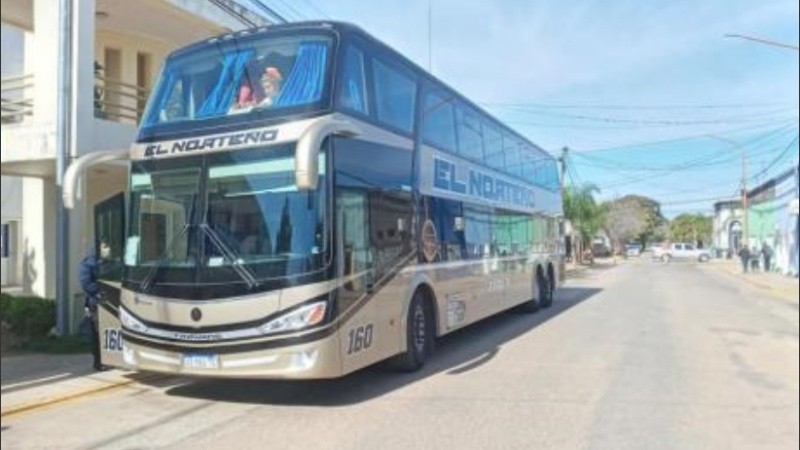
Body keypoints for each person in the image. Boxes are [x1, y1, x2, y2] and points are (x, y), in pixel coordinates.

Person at [78, 241, 111, 371]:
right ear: (98, 249)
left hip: (110, 300)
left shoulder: (110, 262)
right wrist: (103, 288)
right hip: (95, 303)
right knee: (97, 333)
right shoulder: (87, 264)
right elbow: (86, 284)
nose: (108, 249)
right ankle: (98, 361)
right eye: (105, 247)